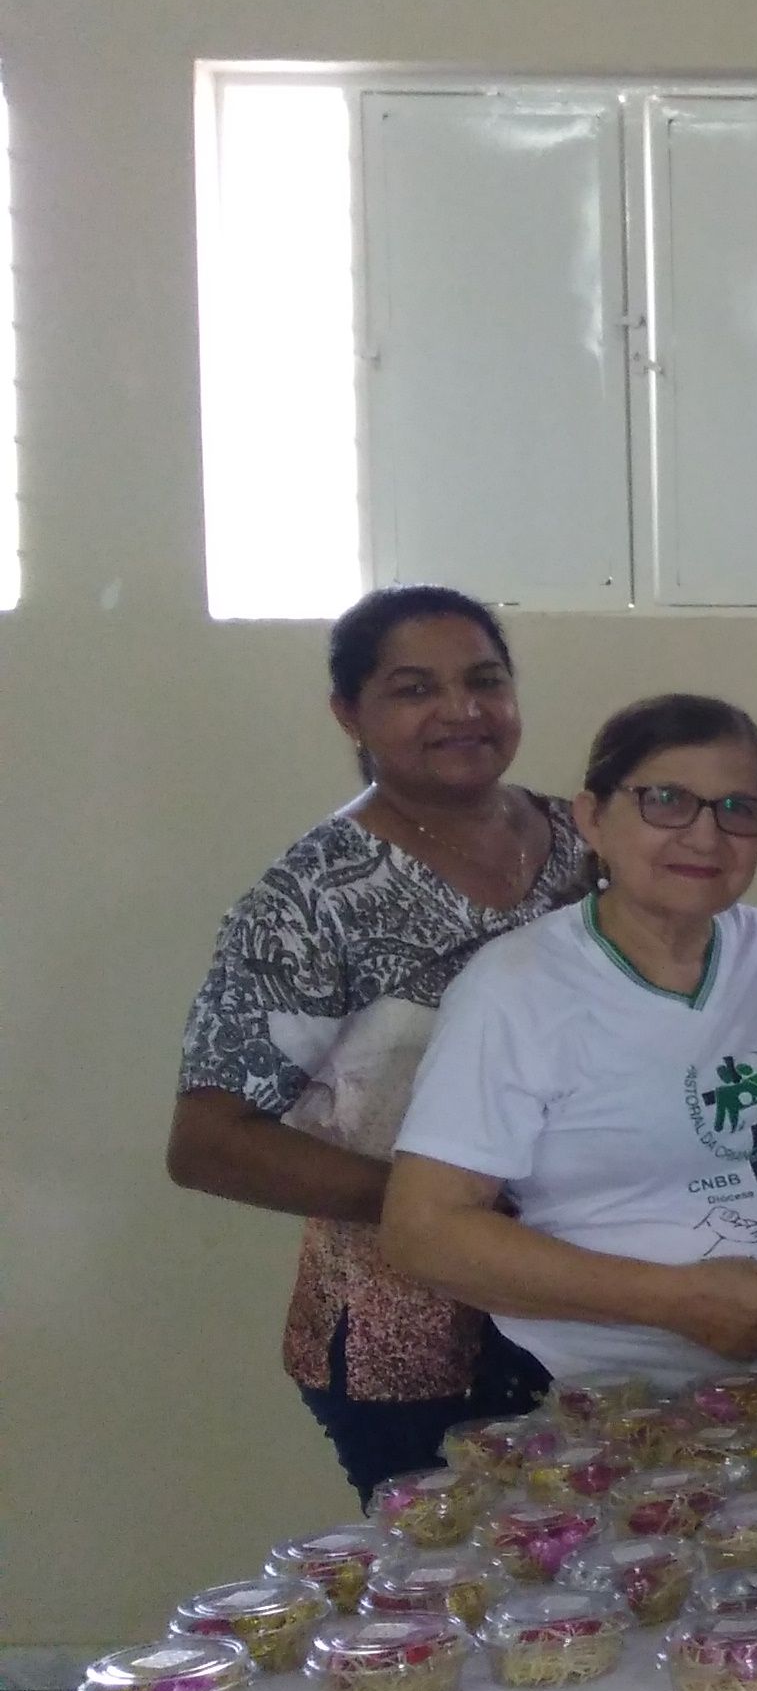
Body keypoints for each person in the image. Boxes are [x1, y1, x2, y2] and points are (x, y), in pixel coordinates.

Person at [171, 585, 592, 1497]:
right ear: (348, 713)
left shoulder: (585, 843)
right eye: (414, 689)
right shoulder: (314, 895)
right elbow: (208, 1142)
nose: (462, 711)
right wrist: (444, 1211)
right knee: (460, 1573)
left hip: (591, 1301)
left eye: (485, 681)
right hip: (409, 1334)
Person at [382, 695, 757, 1400]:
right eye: (667, 801)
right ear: (592, 817)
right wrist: (675, 1300)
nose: (705, 836)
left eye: (738, 809)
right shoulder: (517, 986)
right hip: (614, 1413)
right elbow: (425, 1231)